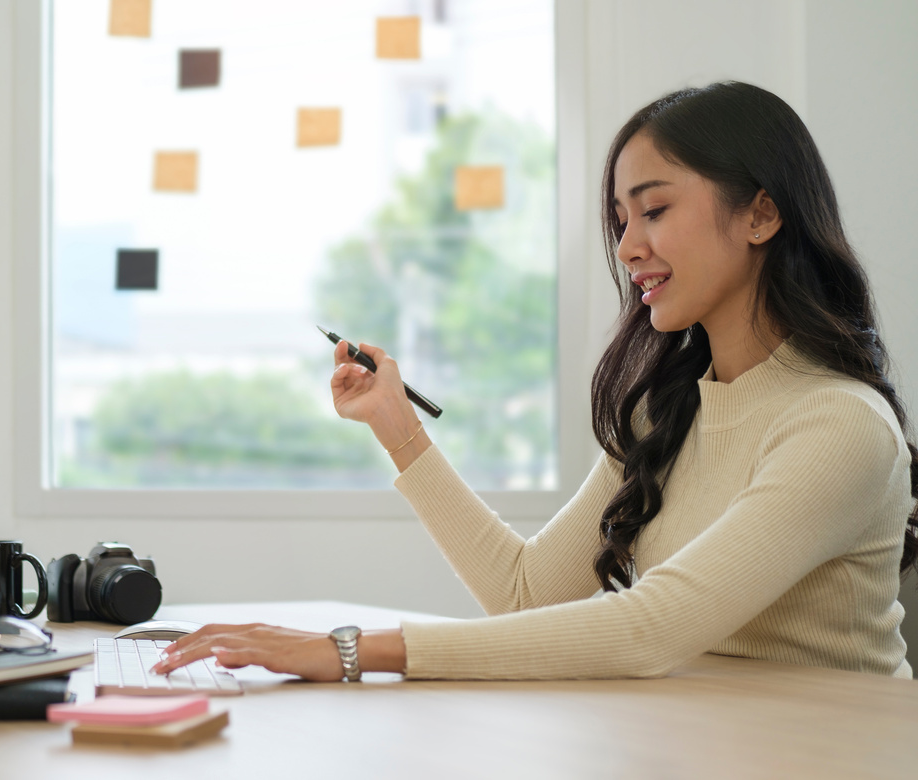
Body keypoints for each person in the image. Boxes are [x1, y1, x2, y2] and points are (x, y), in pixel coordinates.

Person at [152, 82, 918, 681]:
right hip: (699, 742)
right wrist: (396, 423)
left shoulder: (840, 425)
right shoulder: (666, 411)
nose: (627, 247)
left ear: (761, 215)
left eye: (652, 210)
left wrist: (350, 650)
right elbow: (524, 594)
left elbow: (654, 626)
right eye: (618, 220)